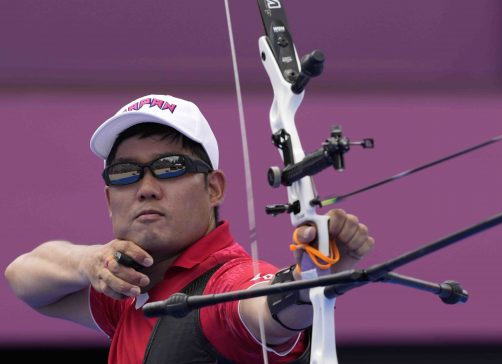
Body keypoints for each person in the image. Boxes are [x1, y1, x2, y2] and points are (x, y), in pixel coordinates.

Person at [5, 94, 374, 363]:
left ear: (213, 188)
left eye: (169, 167)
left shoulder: (226, 281)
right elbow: (22, 277)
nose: (146, 187)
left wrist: (310, 280)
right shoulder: (131, 287)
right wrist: (90, 263)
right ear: (108, 199)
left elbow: (261, 308)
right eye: (125, 173)